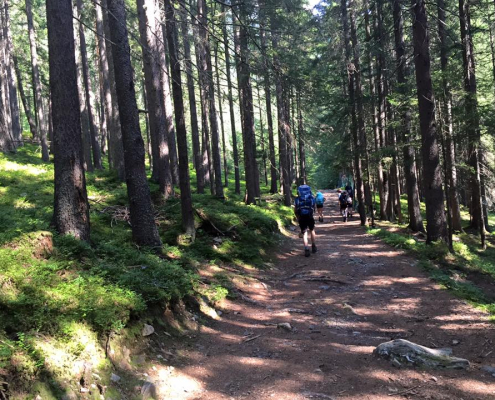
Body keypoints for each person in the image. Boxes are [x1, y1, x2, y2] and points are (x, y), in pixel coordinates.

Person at [294, 184, 317, 257]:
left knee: (304, 232)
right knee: (312, 230)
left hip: (301, 217)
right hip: (310, 217)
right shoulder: (312, 198)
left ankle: (306, 248)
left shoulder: (297, 199)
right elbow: (314, 208)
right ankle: (313, 245)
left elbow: (295, 210)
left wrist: (298, 218)